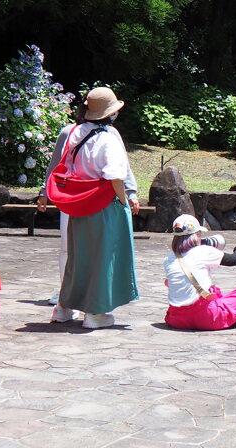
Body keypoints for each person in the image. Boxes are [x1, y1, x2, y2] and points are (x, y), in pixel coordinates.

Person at [47, 87, 139, 328]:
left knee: (77, 258)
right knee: (103, 257)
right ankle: (94, 313)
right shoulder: (108, 137)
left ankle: (64, 307)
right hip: (103, 204)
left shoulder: (75, 132)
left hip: (78, 203)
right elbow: (115, 176)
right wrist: (123, 200)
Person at [163, 215, 236, 330]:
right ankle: (234, 317)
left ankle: (229, 318)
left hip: (176, 319)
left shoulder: (169, 259)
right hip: (207, 317)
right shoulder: (204, 251)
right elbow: (234, 259)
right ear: (197, 234)